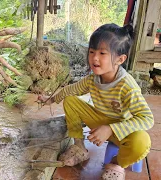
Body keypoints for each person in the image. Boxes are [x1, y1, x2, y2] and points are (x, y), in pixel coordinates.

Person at [38, 23, 154, 180]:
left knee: (142, 142)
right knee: (71, 101)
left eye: (102, 53)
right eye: (92, 51)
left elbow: (147, 118)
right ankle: (79, 147)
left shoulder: (127, 87)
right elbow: (70, 90)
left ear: (120, 59)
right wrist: (50, 99)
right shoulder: (93, 79)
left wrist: (111, 129)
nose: (94, 58)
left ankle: (116, 163)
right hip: (100, 121)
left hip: (123, 130)